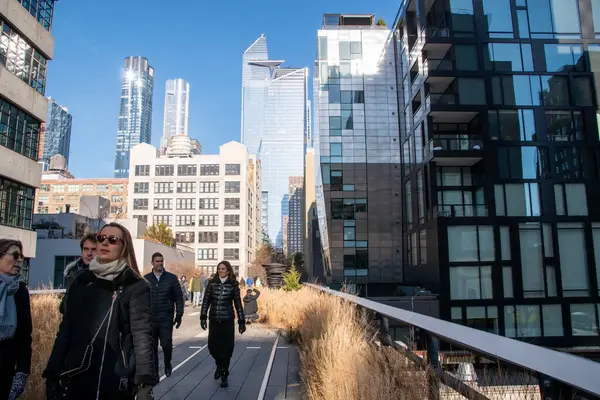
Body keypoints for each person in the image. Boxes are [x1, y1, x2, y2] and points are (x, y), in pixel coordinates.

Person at [43, 223, 156, 400]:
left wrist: (145, 382)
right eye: (101, 238)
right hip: (77, 373)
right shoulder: (82, 281)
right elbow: (66, 330)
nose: (104, 243)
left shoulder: (134, 285)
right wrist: (52, 372)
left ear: (123, 246)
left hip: (115, 376)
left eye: (112, 240)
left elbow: (142, 336)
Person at [200, 261, 245, 388]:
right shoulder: (212, 284)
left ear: (228, 270)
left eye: (223, 269)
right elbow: (206, 301)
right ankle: (219, 366)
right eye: (219, 268)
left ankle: (224, 374)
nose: (221, 271)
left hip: (227, 320)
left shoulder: (233, 285)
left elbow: (238, 304)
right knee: (212, 347)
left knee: (227, 348)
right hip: (214, 319)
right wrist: (203, 317)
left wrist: (241, 322)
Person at [0, 240, 31, 400]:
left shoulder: (19, 291)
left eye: (21, 256)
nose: (19, 260)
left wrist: (22, 373)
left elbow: (25, 337)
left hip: (5, 369)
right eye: (15, 255)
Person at [144, 253, 183, 378]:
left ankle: (167, 363)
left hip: (166, 318)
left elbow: (178, 298)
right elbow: (140, 299)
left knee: (166, 344)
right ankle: (154, 369)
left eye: (161, 261)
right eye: (157, 261)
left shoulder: (171, 278)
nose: (160, 263)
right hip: (150, 319)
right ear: (152, 263)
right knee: (152, 346)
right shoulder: (146, 279)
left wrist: (179, 315)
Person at [59, 233, 97, 314]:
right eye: (86, 249)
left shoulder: (105, 275)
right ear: (81, 252)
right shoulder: (73, 273)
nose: (89, 253)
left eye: (94, 249)